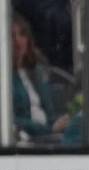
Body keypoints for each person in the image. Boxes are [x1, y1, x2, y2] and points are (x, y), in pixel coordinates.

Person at [11, 13, 68, 142]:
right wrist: (49, 129)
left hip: (49, 134)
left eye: (22, 34)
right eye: (11, 36)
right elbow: (10, 120)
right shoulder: (4, 77)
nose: (17, 40)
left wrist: (63, 122)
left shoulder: (37, 70)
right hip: (27, 140)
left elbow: (49, 112)